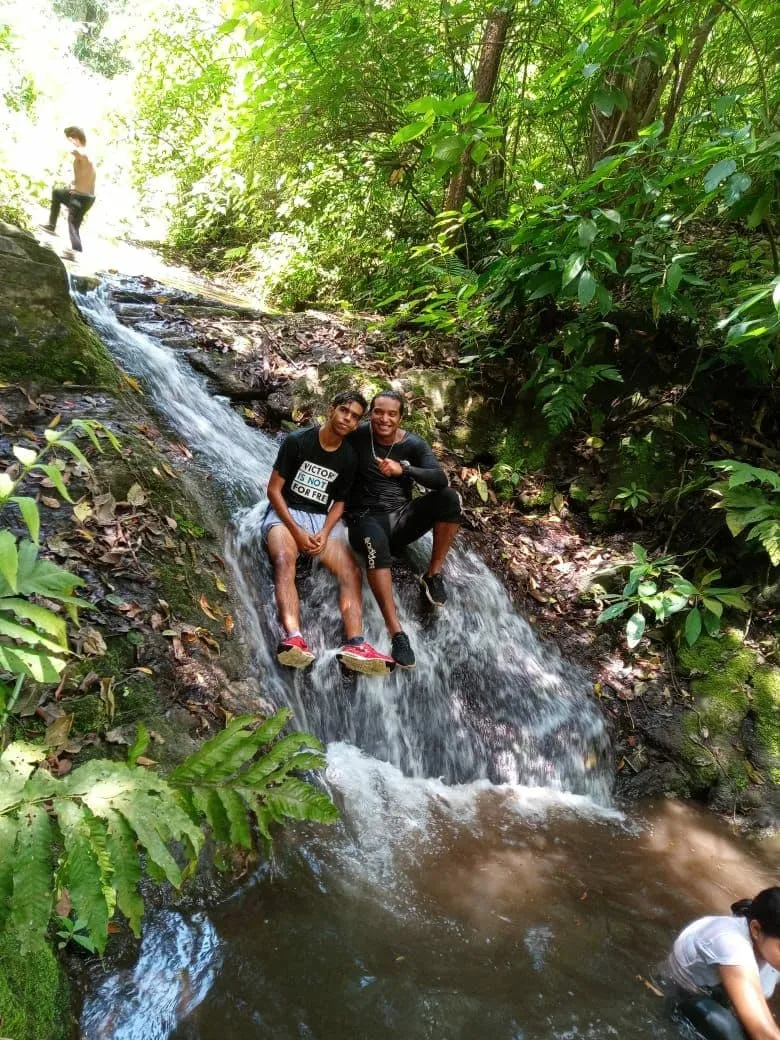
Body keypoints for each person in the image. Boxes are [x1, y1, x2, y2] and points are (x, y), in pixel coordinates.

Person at [262, 390, 395, 676]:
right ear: (332, 409)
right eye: (344, 411)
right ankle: (294, 636)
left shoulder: (349, 457)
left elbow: (340, 503)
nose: (347, 419)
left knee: (351, 572)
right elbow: (273, 490)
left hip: (320, 520)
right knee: (286, 558)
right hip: (286, 514)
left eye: (355, 417)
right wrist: (297, 532)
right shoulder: (298, 441)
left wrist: (324, 531)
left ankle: (355, 643)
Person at [344, 389, 462, 670]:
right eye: (378, 412)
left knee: (449, 498)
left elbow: (440, 478)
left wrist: (404, 470)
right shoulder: (358, 435)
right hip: (364, 518)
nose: (384, 419)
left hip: (400, 518)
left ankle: (432, 575)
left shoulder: (413, 445)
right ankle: (397, 633)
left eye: (391, 413)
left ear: (400, 417)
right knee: (375, 541)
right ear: (371, 413)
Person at [662, 887, 780, 1040]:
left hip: (722, 1000)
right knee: (728, 1029)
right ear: (756, 929)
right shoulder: (730, 943)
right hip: (681, 999)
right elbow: (764, 1033)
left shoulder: (770, 952)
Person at [40, 126, 96, 257]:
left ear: (76, 138)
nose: (69, 141)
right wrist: (73, 186)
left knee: (73, 224)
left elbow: (79, 153)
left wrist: (73, 145)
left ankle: (76, 253)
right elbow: (85, 177)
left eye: (71, 138)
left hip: (82, 198)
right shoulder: (83, 156)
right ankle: (51, 226)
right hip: (83, 196)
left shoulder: (83, 153)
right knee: (58, 193)